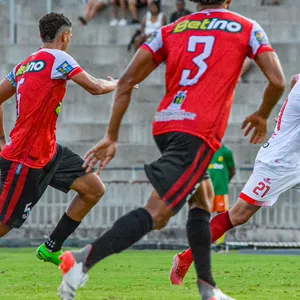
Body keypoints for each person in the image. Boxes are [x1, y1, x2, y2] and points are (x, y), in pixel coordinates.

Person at [56, 0, 286, 299]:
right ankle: (83, 260)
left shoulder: (169, 30)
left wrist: (111, 135)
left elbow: (126, 81)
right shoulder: (246, 27)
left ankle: (207, 287)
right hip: (198, 132)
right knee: (158, 214)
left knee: (201, 200)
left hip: (166, 125)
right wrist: (262, 115)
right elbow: (278, 81)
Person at [170, 35, 300, 285]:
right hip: (275, 165)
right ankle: (184, 259)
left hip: (297, 162)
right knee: (237, 216)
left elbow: (295, 82)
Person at [0, 13, 117, 265]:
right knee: (3, 225)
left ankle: (51, 247)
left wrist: (1, 138)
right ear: (65, 36)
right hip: (25, 158)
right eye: (70, 37)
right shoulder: (59, 57)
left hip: (49, 152)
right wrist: (119, 83)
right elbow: (95, 87)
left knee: (94, 189)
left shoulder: (24, 64)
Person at [207, 144, 235, 250]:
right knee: (203, 215)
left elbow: (232, 170)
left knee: (222, 216)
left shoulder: (226, 152)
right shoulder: (205, 150)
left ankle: (220, 244)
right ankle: (203, 242)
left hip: (221, 191)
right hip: (206, 191)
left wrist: (224, 182)